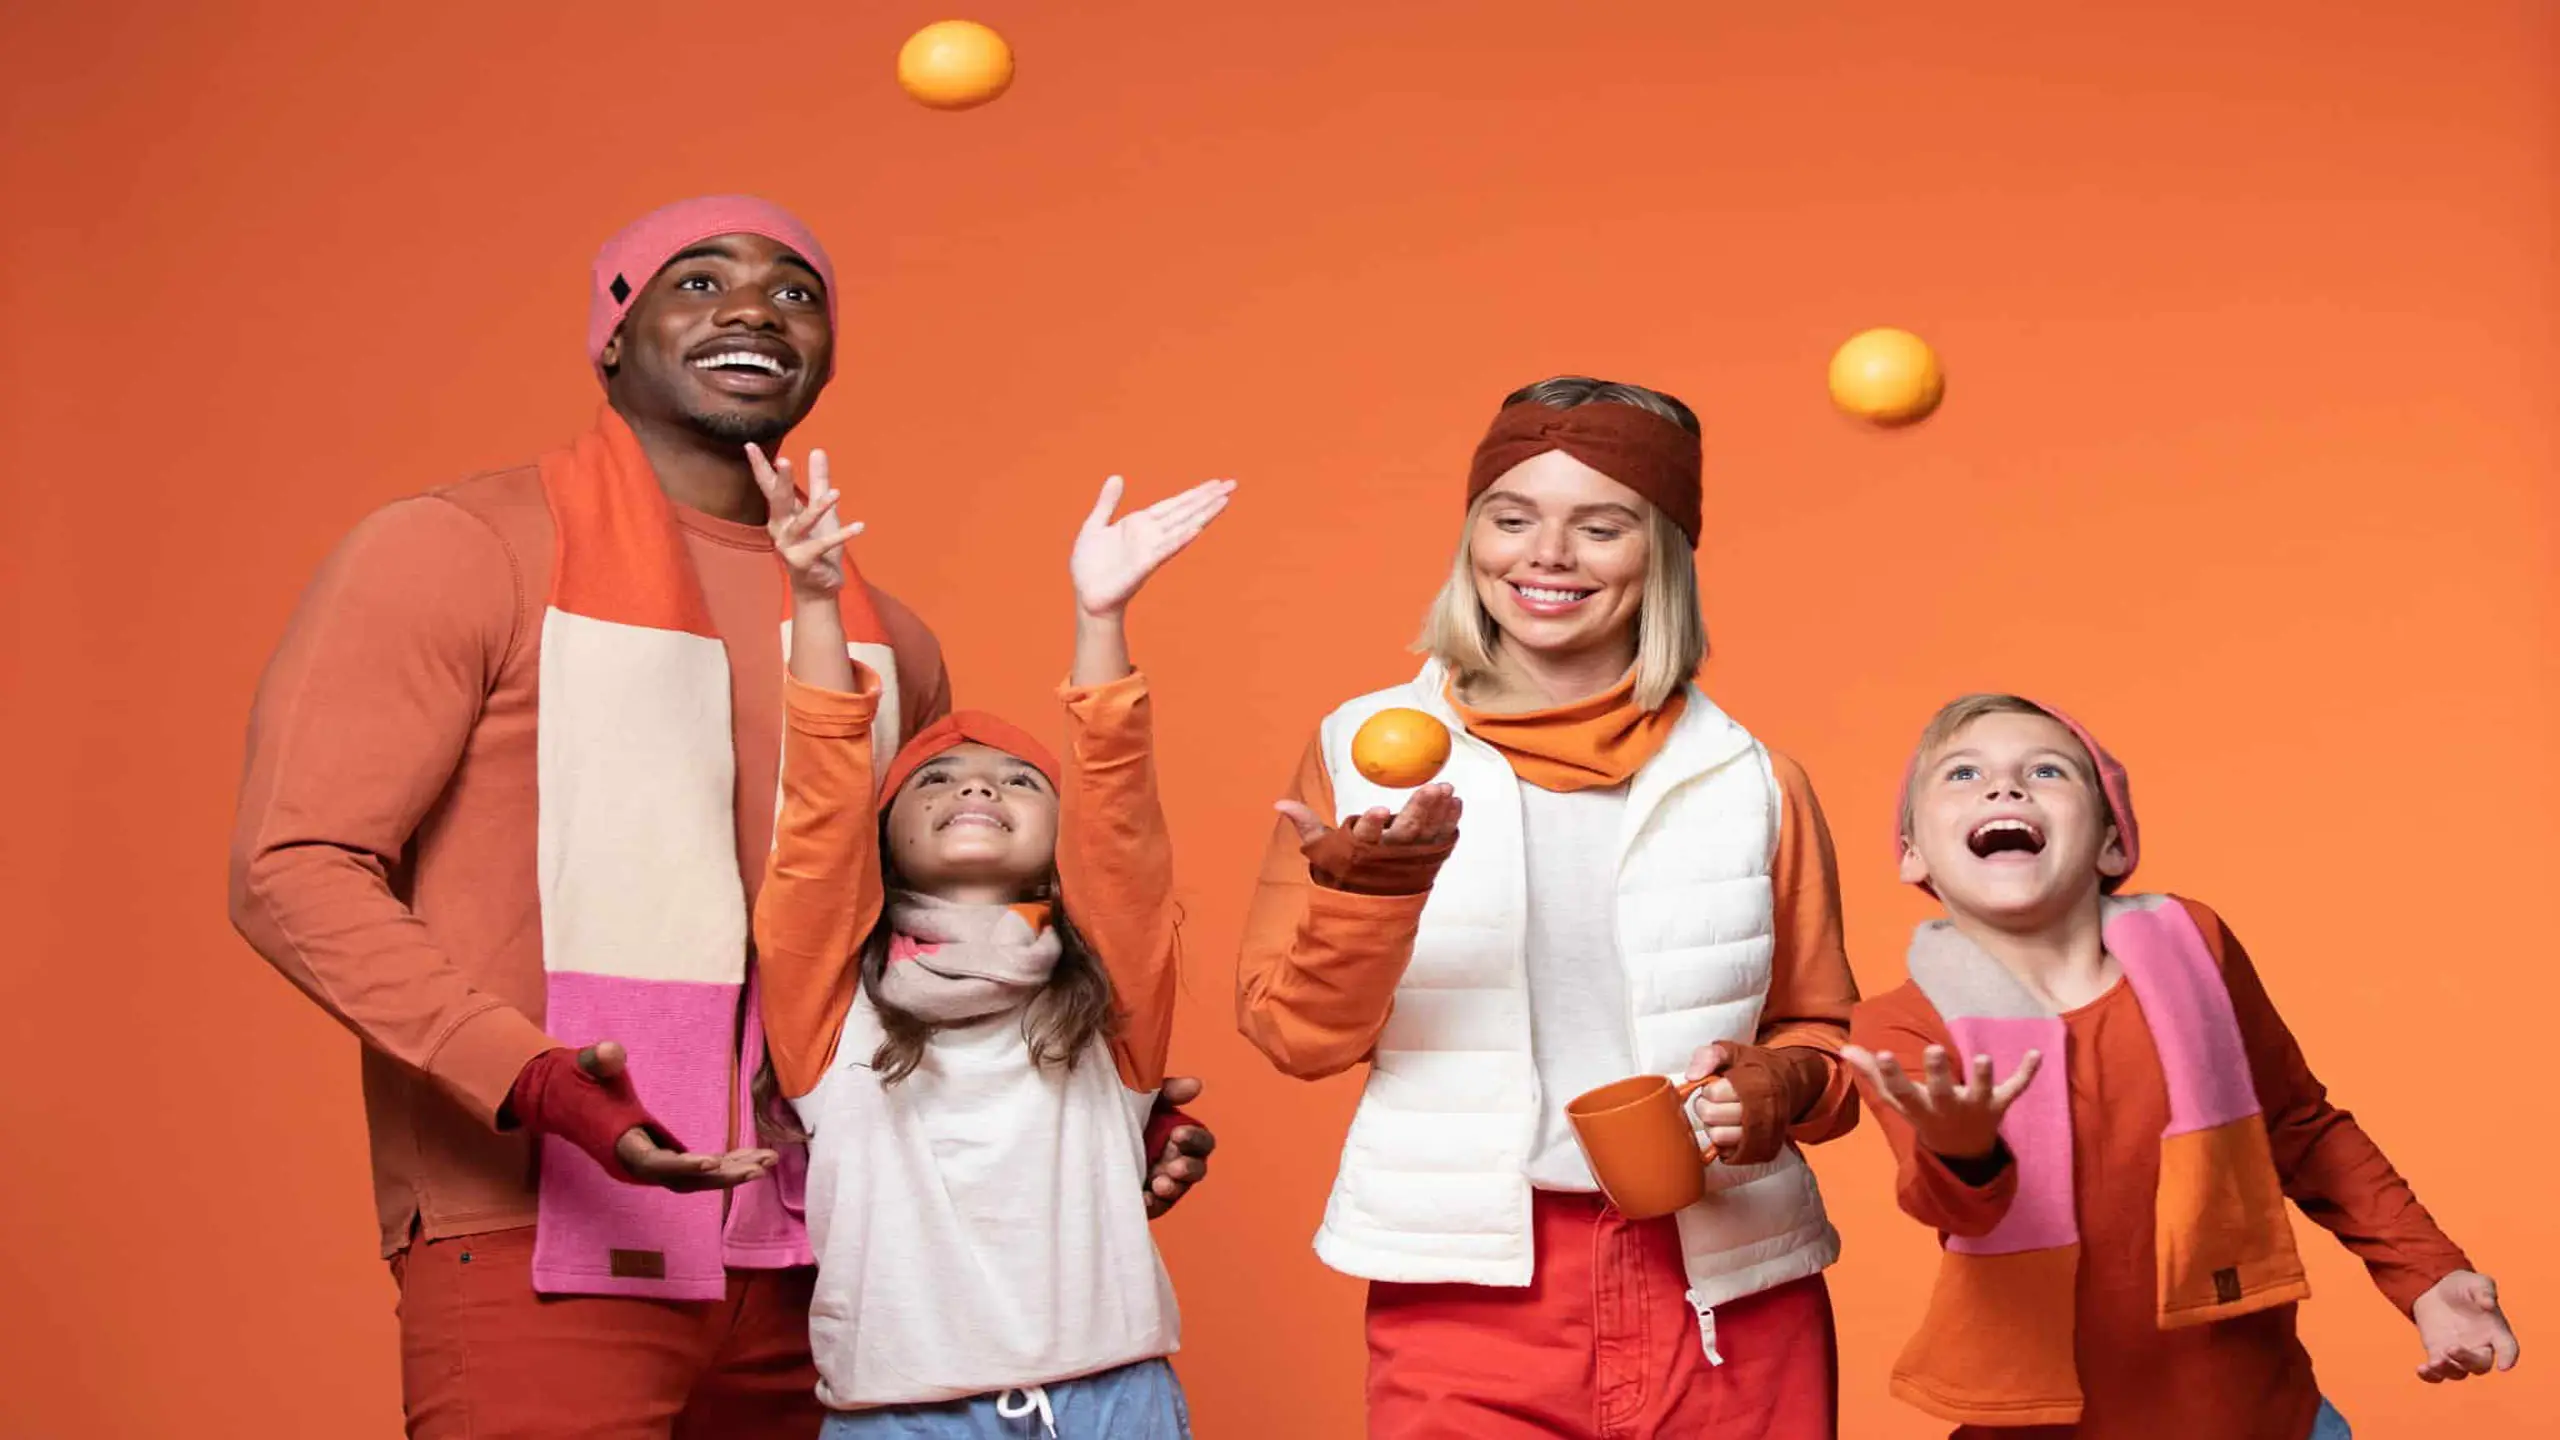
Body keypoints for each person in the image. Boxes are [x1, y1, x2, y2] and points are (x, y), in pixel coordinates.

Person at [228, 195, 1214, 1438]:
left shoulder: (889, 643)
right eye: (697, 283)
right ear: (610, 334)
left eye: (795, 293)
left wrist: (1087, 1091)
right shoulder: (458, 549)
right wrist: (529, 1078)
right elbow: (292, 869)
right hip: (539, 1220)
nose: (752, 308)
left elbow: (923, 930)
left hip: (845, 1255)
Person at [1237, 376, 1860, 1437]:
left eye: (1601, 525)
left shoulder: (1753, 778)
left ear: (1660, 551)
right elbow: (1294, 1040)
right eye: (1511, 517)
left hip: (1727, 1295)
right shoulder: (1362, 755)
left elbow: (1830, 1055)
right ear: (1471, 535)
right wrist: (1372, 899)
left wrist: (1770, 1086)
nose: (1546, 556)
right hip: (1467, 1293)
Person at [1844, 693, 2522, 1439]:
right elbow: (1957, 1210)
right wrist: (1964, 1150)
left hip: (2262, 1417)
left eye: (2046, 771)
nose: (2005, 789)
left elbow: (2301, 1129)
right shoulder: (1903, 1025)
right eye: (1963, 774)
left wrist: (2429, 1273)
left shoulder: (2194, 950)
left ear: (2112, 842)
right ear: (1913, 852)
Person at [751, 448, 1229, 1436]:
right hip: (901, 1415)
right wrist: (813, 604)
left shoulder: (1107, 988)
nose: (977, 788)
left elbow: (1121, 831)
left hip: (1117, 1400)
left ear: (1059, 840)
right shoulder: (833, 1005)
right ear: (883, 839)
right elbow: (814, 827)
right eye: (936, 780)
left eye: (1018, 781)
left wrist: (1101, 621)